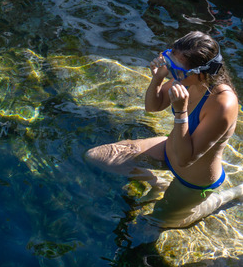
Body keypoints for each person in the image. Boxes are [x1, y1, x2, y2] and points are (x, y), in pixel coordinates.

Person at [85, 31, 242, 228]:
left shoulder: (223, 104)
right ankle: (159, 183)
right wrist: (158, 77)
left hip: (192, 177)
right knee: (97, 157)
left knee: (156, 223)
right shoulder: (187, 78)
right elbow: (153, 106)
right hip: (170, 149)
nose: (172, 73)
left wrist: (181, 112)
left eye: (175, 69)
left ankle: (228, 195)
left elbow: (185, 159)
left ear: (201, 72)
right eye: (169, 63)